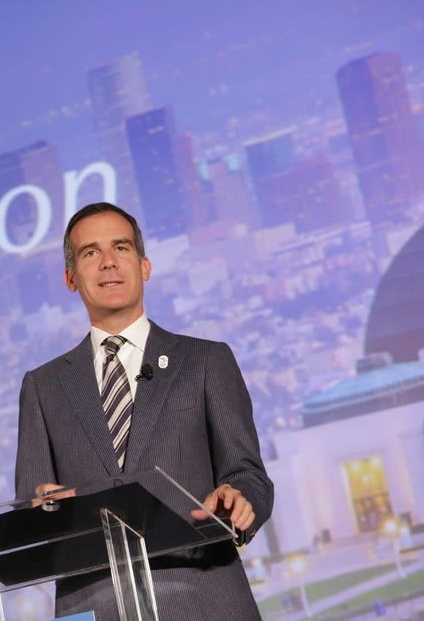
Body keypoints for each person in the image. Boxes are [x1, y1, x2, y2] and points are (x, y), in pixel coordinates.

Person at [14, 202, 273, 620]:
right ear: (70, 278)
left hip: (204, 595)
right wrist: (39, 508)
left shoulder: (206, 360)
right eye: (90, 253)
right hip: (95, 604)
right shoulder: (42, 386)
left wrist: (241, 499)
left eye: (121, 248)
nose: (109, 263)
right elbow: (29, 502)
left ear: (145, 265)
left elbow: (249, 474)